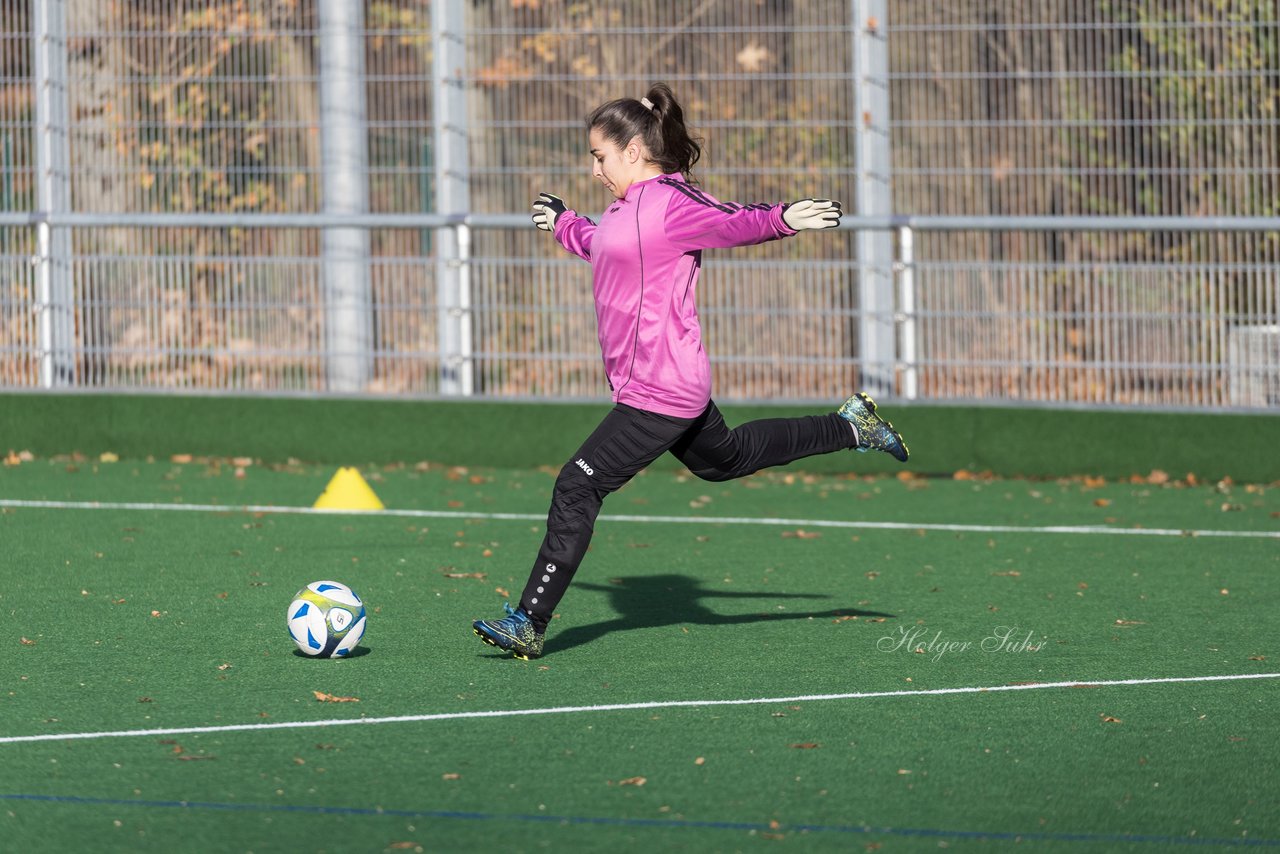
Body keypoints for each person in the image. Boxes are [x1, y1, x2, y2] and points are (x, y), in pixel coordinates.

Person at [473, 83, 908, 660]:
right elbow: (602, 244)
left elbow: (730, 221)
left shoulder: (673, 204)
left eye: (600, 156)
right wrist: (560, 223)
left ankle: (529, 619)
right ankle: (852, 426)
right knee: (724, 460)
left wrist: (785, 217)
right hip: (662, 384)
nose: (595, 169)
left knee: (577, 484)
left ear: (633, 151)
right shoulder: (623, 210)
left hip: (662, 389)